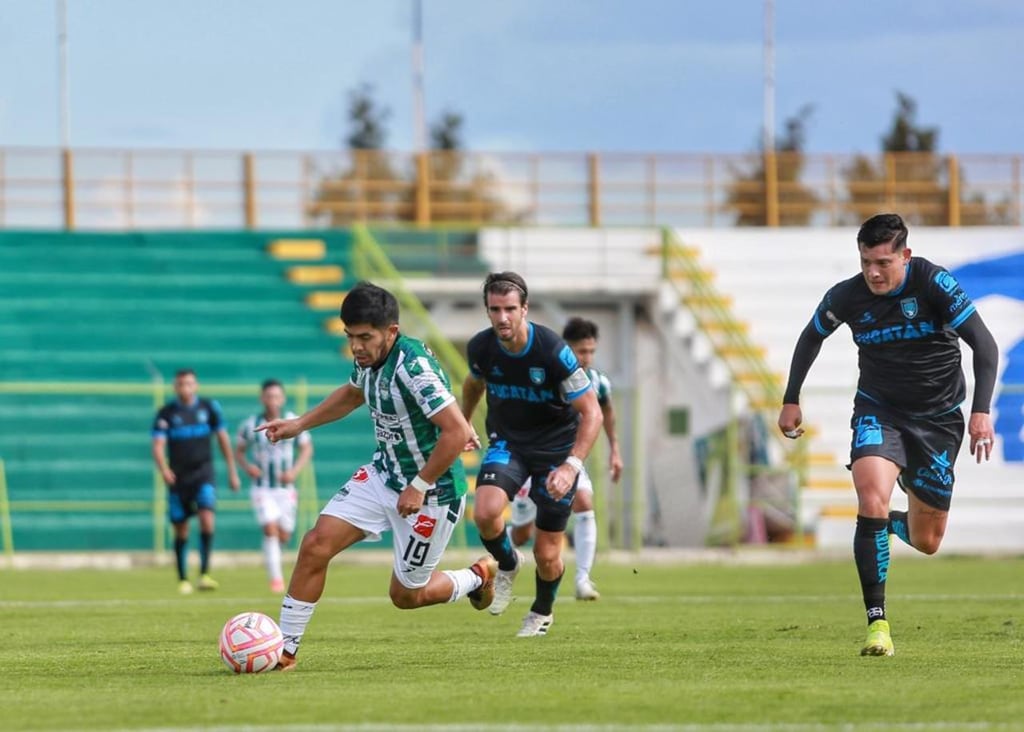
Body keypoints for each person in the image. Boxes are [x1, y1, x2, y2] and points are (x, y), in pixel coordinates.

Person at [777, 213, 998, 657]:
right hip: (880, 410)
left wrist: (980, 412)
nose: (873, 272)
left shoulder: (934, 284)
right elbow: (809, 337)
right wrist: (791, 397)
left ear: (905, 256)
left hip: (938, 420)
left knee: (927, 541)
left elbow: (985, 345)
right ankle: (877, 624)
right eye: (865, 262)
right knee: (870, 495)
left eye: (882, 262)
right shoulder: (847, 295)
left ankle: (892, 524)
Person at [256, 282, 496, 671]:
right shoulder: (369, 360)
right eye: (350, 336)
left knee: (406, 596)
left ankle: (476, 575)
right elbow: (353, 394)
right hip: (383, 476)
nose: (356, 346)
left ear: (392, 332)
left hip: (432, 493)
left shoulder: (413, 367)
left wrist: (418, 485)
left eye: (365, 337)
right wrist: (300, 424)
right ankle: (285, 651)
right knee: (315, 544)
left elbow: (455, 431)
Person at [462, 272, 604, 637]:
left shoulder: (553, 351)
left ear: (524, 309)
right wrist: (463, 423)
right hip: (508, 443)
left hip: (556, 451)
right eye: (495, 309)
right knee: (486, 512)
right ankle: (508, 563)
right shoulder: (481, 347)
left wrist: (571, 467)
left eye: (510, 309)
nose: (502, 317)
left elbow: (593, 412)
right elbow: (474, 382)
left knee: (548, 553)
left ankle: (541, 612)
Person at [508, 317, 623, 601]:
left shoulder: (598, 382)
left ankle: (583, 579)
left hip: (569, 461)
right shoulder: (548, 376)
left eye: (591, 351)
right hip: (535, 458)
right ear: (566, 349)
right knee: (522, 533)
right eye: (581, 351)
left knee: (584, 501)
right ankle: (491, 561)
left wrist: (615, 448)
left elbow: (606, 410)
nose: (586, 358)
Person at [151, 368, 241, 594]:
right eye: (181, 384)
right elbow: (158, 446)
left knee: (207, 520)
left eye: (189, 383)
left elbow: (222, 440)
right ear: (175, 387)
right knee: (181, 529)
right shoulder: (166, 414)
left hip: (204, 475)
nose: (185, 388)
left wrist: (232, 471)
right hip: (178, 479)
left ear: (196, 385)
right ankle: (182, 578)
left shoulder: (209, 408)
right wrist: (163, 469)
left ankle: (204, 573)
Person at [236, 379, 314, 593]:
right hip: (262, 488)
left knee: (284, 534)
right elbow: (239, 450)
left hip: (285, 489)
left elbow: (306, 448)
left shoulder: (291, 421)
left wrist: (294, 472)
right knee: (270, 529)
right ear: (262, 398)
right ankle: (276, 579)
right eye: (268, 396)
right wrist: (248, 467)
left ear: (283, 398)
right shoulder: (251, 424)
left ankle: (272, 558)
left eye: (276, 396)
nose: (272, 400)